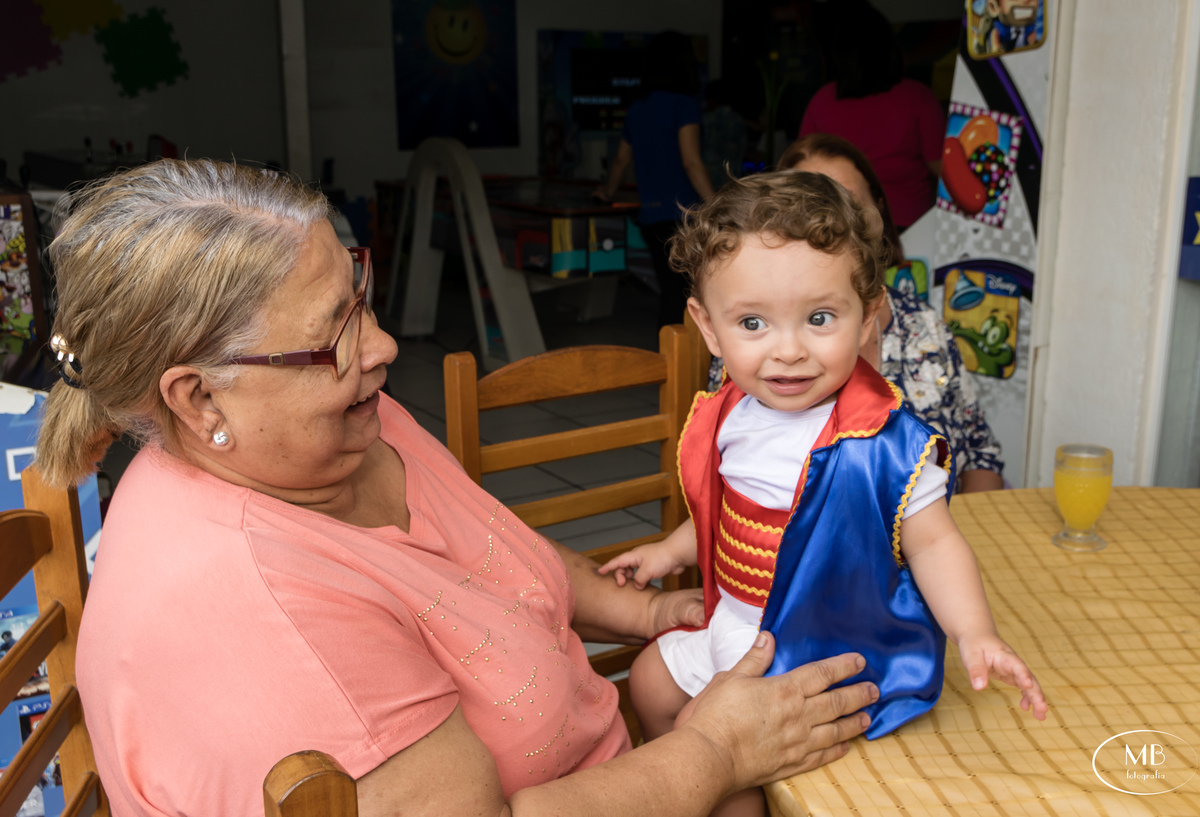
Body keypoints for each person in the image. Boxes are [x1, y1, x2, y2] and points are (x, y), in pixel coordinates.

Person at [34, 159, 879, 817]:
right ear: (199, 398)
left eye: (359, 298)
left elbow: (492, 559)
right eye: (334, 334)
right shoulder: (252, 607)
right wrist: (717, 753)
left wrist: (650, 613)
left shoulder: (335, 433)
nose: (383, 346)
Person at [601, 172, 1047, 817]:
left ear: (868, 316)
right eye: (752, 322)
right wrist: (670, 552)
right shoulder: (729, 413)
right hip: (739, 624)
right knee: (648, 678)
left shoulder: (887, 447)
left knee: (714, 743)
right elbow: (730, 510)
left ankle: (731, 799)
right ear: (709, 327)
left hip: (813, 649)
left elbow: (934, 545)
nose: (788, 351)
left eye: (818, 318)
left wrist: (975, 632)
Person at [708, 134, 1005, 493]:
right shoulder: (751, 355)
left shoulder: (923, 324)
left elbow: (981, 452)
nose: (828, 225)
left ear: (877, 212)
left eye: (846, 203)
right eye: (806, 211)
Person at [595, 31, 715, 327]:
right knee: (688, 298)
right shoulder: (685, 105)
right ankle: (675, 356)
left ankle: (671, 352)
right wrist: (717, 206)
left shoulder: (637, 109)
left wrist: (607, 191)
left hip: (651, 218)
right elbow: (691, 162)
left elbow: (621, 160)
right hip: (685, 217)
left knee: (672, 295)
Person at [798, 0, 945, 228]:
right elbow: (944, 169)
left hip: (843, 230)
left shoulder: (821, 101)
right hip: (909, 231)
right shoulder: (917, 96)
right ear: (889, 47)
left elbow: (801, 173)